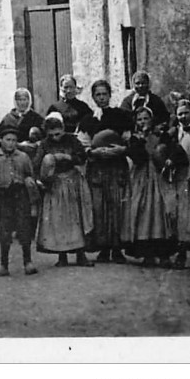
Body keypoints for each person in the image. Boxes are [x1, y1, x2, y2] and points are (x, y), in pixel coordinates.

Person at [81, 79, 132, 263]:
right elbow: (83, 144)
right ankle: (103, 248)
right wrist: (94, 152)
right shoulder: (88, 119)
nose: (101, 98)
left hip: (116, 166)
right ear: (93, 97)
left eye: (104, 94)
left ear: (110, 95)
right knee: (99, 207)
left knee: (117, 206)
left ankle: (117, 248)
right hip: (97, 168)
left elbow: (128, 139)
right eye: (98, 95)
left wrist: (121, 150)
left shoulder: (120, 115)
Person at [34, 112, 94, 268]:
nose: (55, 137)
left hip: (72, 181)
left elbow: (82, 157)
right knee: (58, 220)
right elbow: (37, 164)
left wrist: (68, 158)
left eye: (58, 133)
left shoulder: (72, 140)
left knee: (77, 218)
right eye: (51, 135)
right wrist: (43, 176)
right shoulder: (44, 144)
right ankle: (62, 256)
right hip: (55, 184)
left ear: (62, 128)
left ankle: (81, 255)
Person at [0, 120, 39, 277]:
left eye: (14, 140)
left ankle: (28, 261)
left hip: (20, 196)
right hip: (4, 197)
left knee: (24, 228)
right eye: (8, 140)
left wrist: (30, 186)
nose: (11, 143)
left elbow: (30, 175)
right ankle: (3, 264)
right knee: (5, 231)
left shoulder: (23, 157)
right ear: (1, 140)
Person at [121, 106, 173, 267]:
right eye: (140, 119)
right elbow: (138, 158)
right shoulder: (134, 139)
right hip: (141, 176)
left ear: (152, 119)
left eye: (146, 118)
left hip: (158, 175)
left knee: (160, 210)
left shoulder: (161, 135)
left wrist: (168, 159)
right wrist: (143, 138)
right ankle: (146, 253)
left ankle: (164, 253)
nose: (143, 122)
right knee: (142, 211)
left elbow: (170, 150)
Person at [159, 98, 190, 268]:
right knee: (179, 215)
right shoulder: (173, 132)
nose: (183, 116)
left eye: (186, 113)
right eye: (179, 114)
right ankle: (181, 253)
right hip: (178, 176)